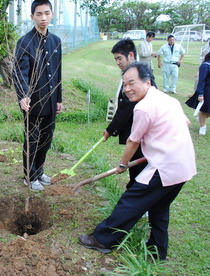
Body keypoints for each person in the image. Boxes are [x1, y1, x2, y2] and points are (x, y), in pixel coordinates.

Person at [79, 62, 196, 261]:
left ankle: (103, 239)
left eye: (131, 83)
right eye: (124, 85)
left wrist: (122, 164)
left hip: (164, 167)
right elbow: (186, 122)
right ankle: (157, 252)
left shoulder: (143, 107)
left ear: (147, 82)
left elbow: (133, 140)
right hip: (183, 166)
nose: (127, 89)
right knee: (159, 208)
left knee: (130, 202)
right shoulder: (168, 100)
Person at [13, 0, 62, 191]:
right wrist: (23, 95)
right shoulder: (25, 42)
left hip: (50, 102)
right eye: (39, 14)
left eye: (47, 13)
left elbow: (58, 72)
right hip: (32, 103)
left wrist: (58, 99)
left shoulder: (56, 41)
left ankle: (39, 171)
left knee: (46, 138)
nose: (43, 17)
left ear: (52, 14)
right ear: (32, 16)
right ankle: (29, 175)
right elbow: (19, 73)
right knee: (32, 140)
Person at [104, 39, 147, 189]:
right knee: (135, 168)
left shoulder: (141, 77)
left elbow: (126, 108)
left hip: (143, 132)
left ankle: (139, 197)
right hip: (135, 130)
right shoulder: (130, 74)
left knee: (141, 169)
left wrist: (111, 130)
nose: (117, 62)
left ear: (130, 55)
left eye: (119, 58)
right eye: (115, 59)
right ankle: (135, 190)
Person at [186, 52, 210, 135]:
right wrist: (200, 94)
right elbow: (202, 81)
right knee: (204, 110)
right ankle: (202, 127)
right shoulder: (205, 65)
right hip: (206, 90)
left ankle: (200, 119)